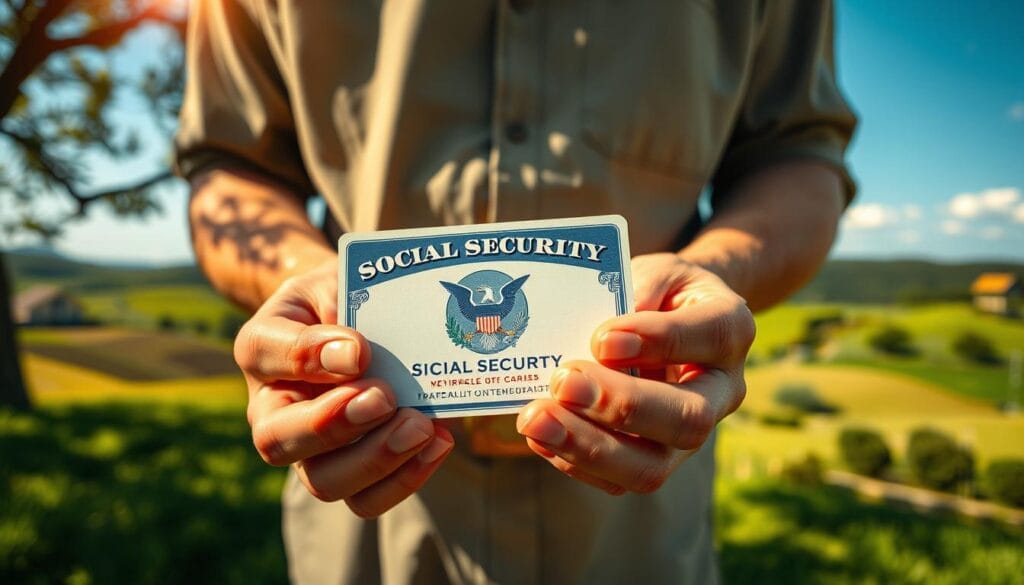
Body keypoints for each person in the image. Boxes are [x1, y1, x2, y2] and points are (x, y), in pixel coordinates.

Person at [175, 1, 856, 583]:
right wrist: (310, 299)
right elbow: (230, 164)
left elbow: (796, 155)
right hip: (369, 515)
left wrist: (707, 285)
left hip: (640, 523)